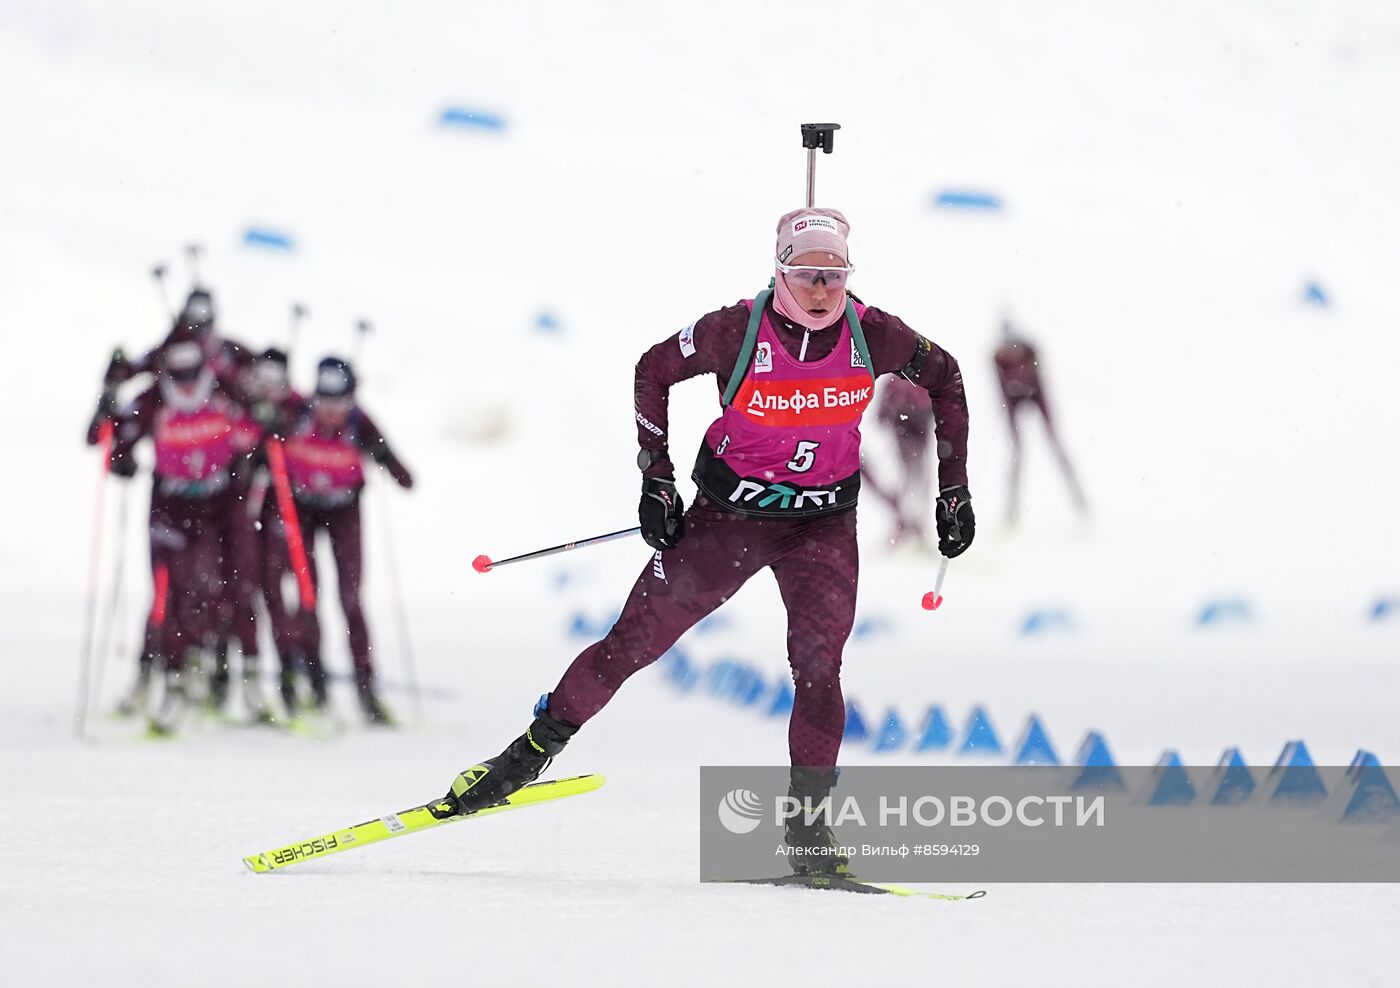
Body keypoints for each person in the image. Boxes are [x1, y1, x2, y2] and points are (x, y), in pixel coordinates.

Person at [441, 208, 974, 876]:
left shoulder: (873, 333)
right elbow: (652, 369)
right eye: (808, 275)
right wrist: (655, 479)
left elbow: (947, 376)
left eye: (835, 277)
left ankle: (809, 835)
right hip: (729, 522)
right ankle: (522, 757)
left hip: (821, 528)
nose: (822, 291)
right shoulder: (734, 330)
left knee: (818, 669)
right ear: (780, 272)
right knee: (631, 645)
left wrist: (953, 489)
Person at [108, 328, 250, 735]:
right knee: (166, 594)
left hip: (216, 505)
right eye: (177, 367)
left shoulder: (224, 387)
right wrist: (120, 449)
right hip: (168, 508)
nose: (186, 379)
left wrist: (253, 443)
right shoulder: (153, 397)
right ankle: (157, 677)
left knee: (209, 590)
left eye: (192, 367)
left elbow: (261, 417)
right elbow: (117, 435)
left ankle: (199, 673)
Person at [280, 357, 414, 724]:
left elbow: (402, 473)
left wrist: (387, 459)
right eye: (324, 401)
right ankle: (313, 682)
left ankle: (365, 689)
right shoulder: (297, 414)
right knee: (308, 597)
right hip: (302, 511)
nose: (331, 412)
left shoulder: (360, 422)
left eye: (338, 403)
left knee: (351, 600)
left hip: (344, 513)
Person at [993, 318, 1087, 525]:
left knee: (1055, 443)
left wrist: (1029, 386)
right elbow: (1000, 387)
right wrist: (1007, 407)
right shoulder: (997, 358)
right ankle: (1011, 510)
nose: (1011, 351)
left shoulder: (1030, 351)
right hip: (1012, 399)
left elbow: (1041, 379)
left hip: (1036, 394)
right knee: (1016, 451)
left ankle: (1079, 498)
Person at [861, 375, 936, 548]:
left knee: (915, 479)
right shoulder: (901, 383)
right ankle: (909, 524)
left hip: (910, 438)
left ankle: (911, 524)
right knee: (912, 480)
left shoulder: (903, 383)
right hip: (903, 438)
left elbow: (882, 416)